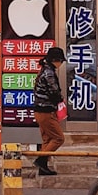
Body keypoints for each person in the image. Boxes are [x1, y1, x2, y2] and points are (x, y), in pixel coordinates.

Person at [32, 46, 66, 176]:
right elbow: (54, 92)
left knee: (47, 139)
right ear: (55, 60)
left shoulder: (44, 70)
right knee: (58, 138)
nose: (61, 64)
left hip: (40, 111)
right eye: (60, 61)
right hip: (46, 111)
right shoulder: (49, 73)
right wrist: (61, 100)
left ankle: (43, 168)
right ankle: (41, 161)